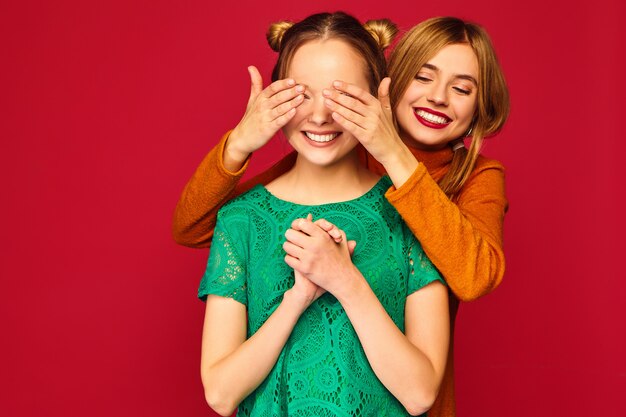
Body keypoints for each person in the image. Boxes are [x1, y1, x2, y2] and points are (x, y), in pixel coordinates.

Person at [176, 15, 510, 417]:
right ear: (394, 84)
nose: (438, 97)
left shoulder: (444, 191)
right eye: (423, 78)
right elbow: (210, 221)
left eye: (461, 88)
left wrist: (391, 151)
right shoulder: (339, 149)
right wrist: (240, 143)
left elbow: (475, 278)